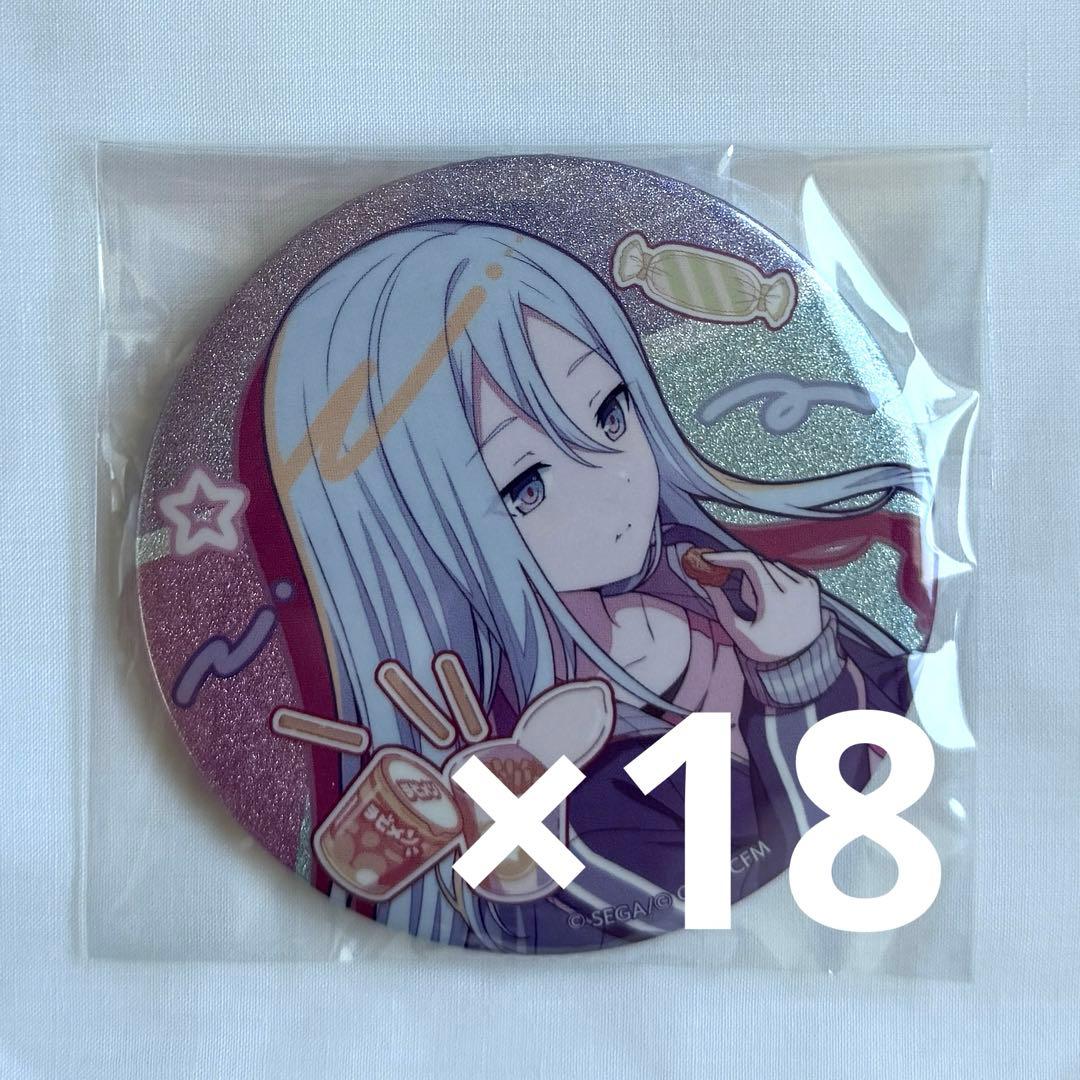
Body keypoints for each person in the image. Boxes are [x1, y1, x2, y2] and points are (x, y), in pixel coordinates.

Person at [264, 220, 921, 950]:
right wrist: (802, 681)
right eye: (527, 486)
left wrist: (787, 663)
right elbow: (786, 855)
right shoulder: (528, 771)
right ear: (415, 539)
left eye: (608, 414)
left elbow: (895, 730)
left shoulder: (717, 586)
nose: (617, 489)